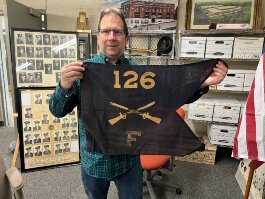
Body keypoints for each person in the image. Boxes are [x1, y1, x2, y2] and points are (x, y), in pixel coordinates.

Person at [49, 7, 228, 199]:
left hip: (128, 161)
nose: (111, 37)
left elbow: (173, 94)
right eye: (106, 31)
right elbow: (57, 110)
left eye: (117, 31)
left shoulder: (141, 74)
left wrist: (201, 82)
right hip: (94, 161)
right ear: (98, 36)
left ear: (126, 38)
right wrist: (64, 86)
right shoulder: (81, 73)